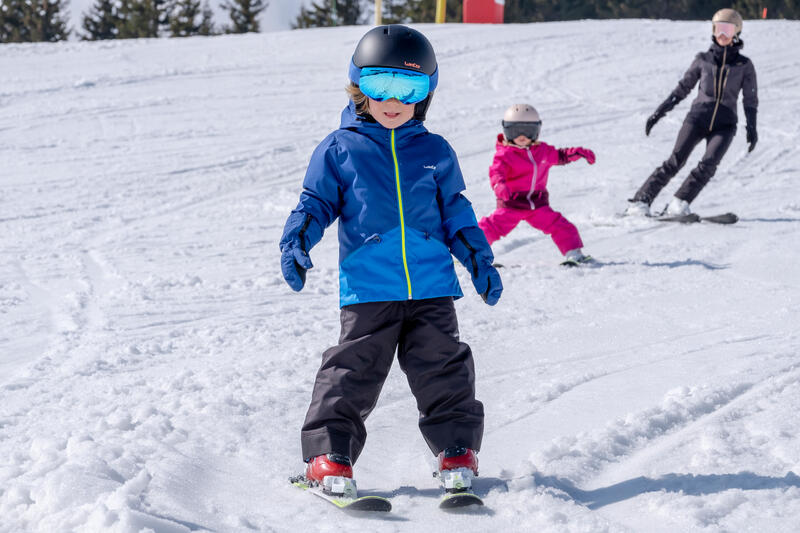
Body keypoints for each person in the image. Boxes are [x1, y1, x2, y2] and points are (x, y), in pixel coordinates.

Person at [280, 24, 502, 497]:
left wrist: (478, 260)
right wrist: (296, 240)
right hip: (369, 287)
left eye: (409, 88)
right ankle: (329, 456)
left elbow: (457, 215)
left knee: (444, 369)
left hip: (432, 288)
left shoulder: (435, 151)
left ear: (426, 93)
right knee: (351, 372)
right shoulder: (341, 149)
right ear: (360, 86)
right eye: (381, 85)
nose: (394, 100)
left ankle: (456, 451)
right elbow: (314, 203)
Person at [626, 8, 758, 217]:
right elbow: (682, 89)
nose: (722, 35)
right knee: (675, 161)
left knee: (709, 164)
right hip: (697, 118)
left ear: (736, 33)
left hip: (725, 125)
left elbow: (750, 99)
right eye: (718, 29)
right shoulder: (703, 59)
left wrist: (751, 125)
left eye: (727, 29)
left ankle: (679, 202)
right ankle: (641, 202)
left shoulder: (744, 65)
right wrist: (659, 112)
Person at [478, 103, 596, 266]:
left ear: (536, 131)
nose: (521, 136)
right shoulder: (504, 154)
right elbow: (496, 172)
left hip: (537, 205)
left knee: (562, 226)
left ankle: (575, 254)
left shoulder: (542, 151)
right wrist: (499, 186)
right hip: (512, 203)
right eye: (515, 130)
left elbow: (560, 156)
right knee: (489, 227)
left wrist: (577, 153)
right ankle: (470, 254)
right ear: (506, 131)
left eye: (528, 131)